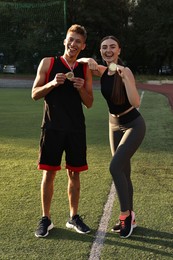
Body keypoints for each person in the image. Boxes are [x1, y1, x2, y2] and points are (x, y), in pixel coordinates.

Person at [78, 36, 146, 238]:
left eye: (112, 47)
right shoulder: (102, 70)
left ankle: (125, 215)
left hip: (133, 124)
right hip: (113, 125)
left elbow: (136, 102)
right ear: (100, 51)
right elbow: (80, 61)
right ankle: (131, 217)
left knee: (115, 167)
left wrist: (125, 78)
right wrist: (87, 61)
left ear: (119, 51)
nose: (108, 50)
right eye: (104, 48)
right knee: (124, 172)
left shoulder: (125, 71)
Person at [31, 24, 93, 238]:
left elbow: (90, 102)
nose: (73, 44)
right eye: (71, 39)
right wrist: (51, 84)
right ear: (65, 40)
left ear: (83, 46)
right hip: (52, 126)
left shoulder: (84, 69)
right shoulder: (48, 62)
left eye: (78, 41)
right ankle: (45, 218)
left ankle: (73, 217)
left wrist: (81, 88)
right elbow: (35, 94)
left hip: (75, 128)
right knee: (49, 172)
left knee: (74, 173)